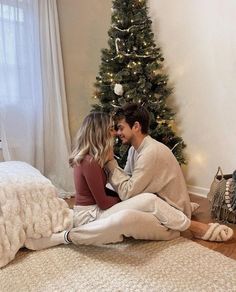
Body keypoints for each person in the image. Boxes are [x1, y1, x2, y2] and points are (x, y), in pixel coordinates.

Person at [25, 109, 233, 251]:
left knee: (148, 202)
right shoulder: (89, 161)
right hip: (91, 215)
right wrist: (127, 200)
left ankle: (190, 225)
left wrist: (129, 197)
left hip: (98, 210)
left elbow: (121, 189)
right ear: (99, 132)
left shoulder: (113, 157)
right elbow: (105, 200)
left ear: (135, 127)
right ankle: (191, 226)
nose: (115, 133)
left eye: (118, 128)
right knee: (141, 206)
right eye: (111, 129)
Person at [104, 103, 234, 241]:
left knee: (126, 220)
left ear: (136, 126)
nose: (118, 133)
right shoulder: (134, 150)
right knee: (122, 214)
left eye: (121, 128)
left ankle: (186, 226)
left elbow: (127, 193)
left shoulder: (151, 152)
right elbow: (128, 181)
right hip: (161, 204)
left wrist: (110, 162)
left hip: (171, 212)